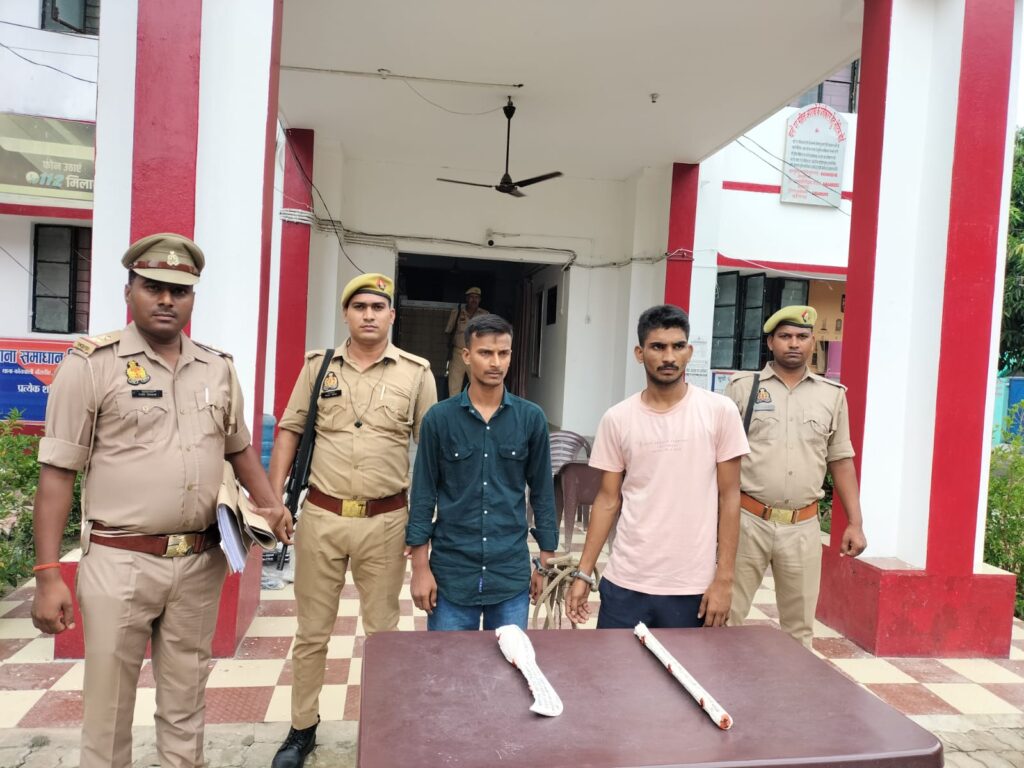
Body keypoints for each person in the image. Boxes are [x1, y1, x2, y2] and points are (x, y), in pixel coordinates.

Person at [30, 233, 292, 768]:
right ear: (129, 291)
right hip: (120, 561)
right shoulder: (92, 364)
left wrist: (271, 506)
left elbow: (239, 448)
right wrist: (48, 573)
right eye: (154, 287)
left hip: (198, 561)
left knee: (185, 708)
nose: (167, 300)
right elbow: (57, 473)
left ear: (193, 297)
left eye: (180, 290)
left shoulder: (217, 367)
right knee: (107, 715)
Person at [269, 273, 436, 768]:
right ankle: (302, 729)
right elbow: (289, 430)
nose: (368, 314)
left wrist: (423, 528)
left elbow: (430, 452)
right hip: (321, 516)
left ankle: (382, 728)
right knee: (311, 633)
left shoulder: (416, 373)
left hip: (386, 521)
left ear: (392, 315)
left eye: (377, 307)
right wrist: (275, 500)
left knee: (383, 634)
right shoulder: (318, 367)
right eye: (359, 306)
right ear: (346, 314)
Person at [565, 304, 749, 629]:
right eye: (658, 347)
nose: (669, 357)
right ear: (640, 353)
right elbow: (607, 500)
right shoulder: (617, 419)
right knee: (615, 664)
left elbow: (730, 497)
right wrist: (583, 572)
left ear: (689, 352)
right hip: (625, 581)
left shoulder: (719, 412)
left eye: (678, 346)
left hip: (692, 587)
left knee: (684, 666)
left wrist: (724, 578)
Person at [724, 305, 867, 648]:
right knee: (725, 616)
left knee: (799, 629)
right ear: (770, 342)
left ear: (812, 342)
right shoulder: (743, 389)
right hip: (747, 520)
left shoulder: (832, 396)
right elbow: (720, 457)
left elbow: (841, 460)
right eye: (785, 336)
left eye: (802, 336)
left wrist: (855, 522)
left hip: (803, 526)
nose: (793, 343)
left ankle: (793, 685)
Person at [406, 314, 558, 630]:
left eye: (503, 353)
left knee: (508, 661)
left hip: (509, 576)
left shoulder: (531, 419)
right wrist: (420, 568)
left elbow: (543, 494)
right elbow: (422, 496)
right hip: (452, 575)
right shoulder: (439, 420)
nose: (495, 362)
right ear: (466, 355)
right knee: (449, 661)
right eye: (485, 353)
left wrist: (545, 561)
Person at [444, 286, 488, 397]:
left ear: (480, 300)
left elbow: (490, 335)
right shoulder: (457, 312)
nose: (474, 300)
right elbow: (448, 331)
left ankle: (476, 406)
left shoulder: (485, 315)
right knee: (454, 386)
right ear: (467, 299)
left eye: (476, 297)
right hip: (458, 353)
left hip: (476, 354)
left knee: (477, 384)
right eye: (471, 297)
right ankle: (454, 407)